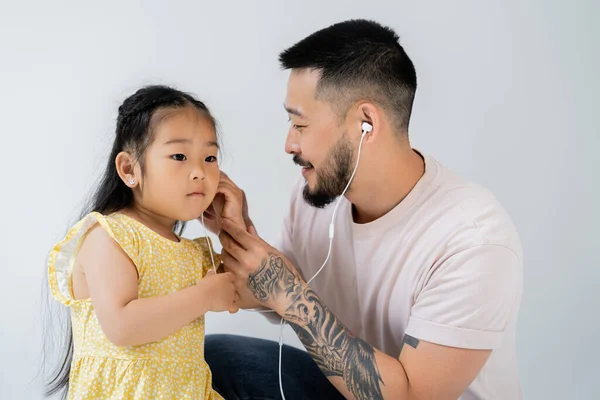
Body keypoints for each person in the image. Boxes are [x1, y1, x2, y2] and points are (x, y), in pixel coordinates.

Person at [205, 19, 523, 399]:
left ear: (366, 123)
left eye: (300, 124)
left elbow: (411, 396)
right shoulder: (317, 194)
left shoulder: (473, 241)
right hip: (342, 391)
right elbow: (277, 295)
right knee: (215, 356)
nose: (289, 144)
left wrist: (288, 293)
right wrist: (237, 233)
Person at [44, 85, 244, 399]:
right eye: (179, 155)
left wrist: (234, 224)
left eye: (210, 157)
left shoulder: (193, 253)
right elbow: (122, 326)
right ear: (129, 169)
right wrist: (204, 296)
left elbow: (252, 289)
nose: (199, 172)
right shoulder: (110, 236)